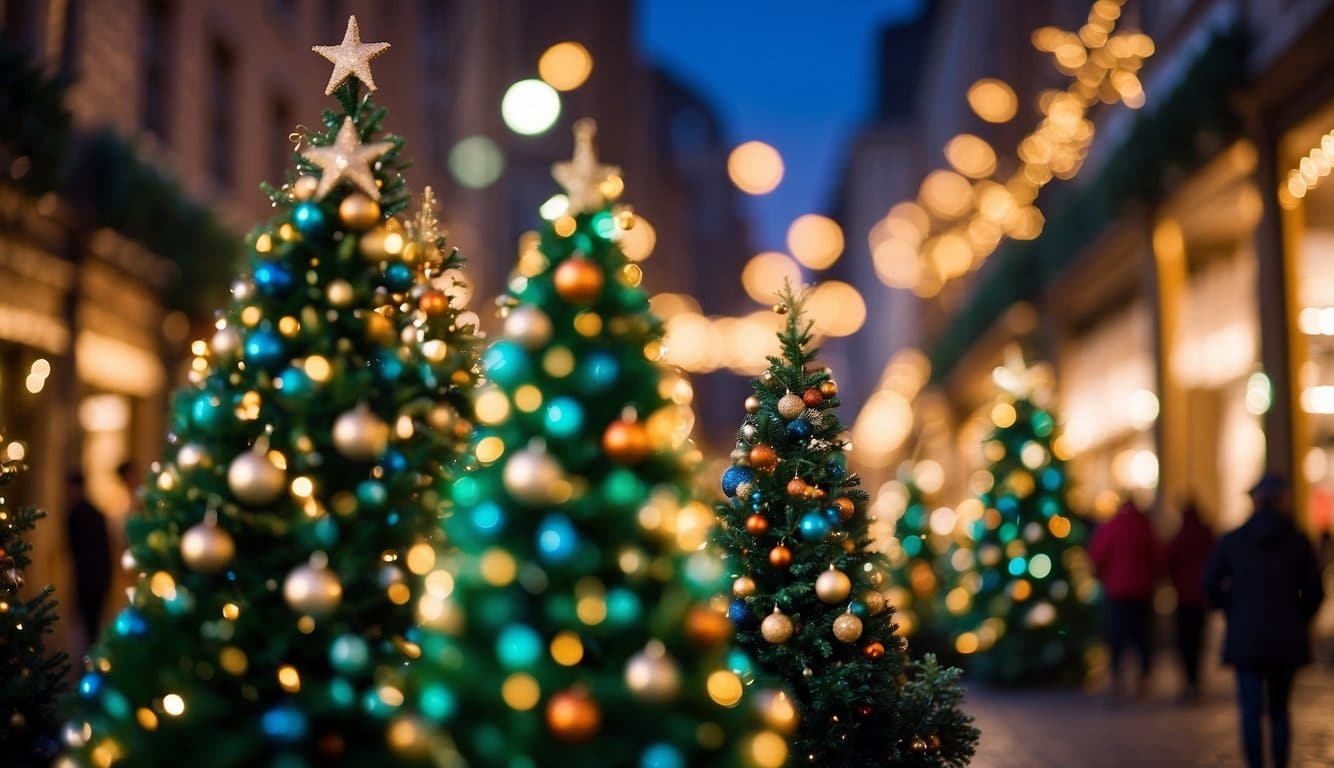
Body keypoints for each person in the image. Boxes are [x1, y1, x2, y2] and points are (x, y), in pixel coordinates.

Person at [1204, 474, 1324, 768]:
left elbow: (1209, 584)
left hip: (1246, 636)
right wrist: (1298, 617)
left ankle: (1255, 763)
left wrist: (1232, 610)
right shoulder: (1297, 541)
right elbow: (1314, 592)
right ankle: (1280, 762)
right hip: (1286, 636)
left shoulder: (1233, 540)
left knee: (1250, 709)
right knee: (1280, 709)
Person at [1090, 498, 1162, 700]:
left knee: (1117, 638)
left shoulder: (1111, 527)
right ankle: (1143, 680)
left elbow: (1098, 555)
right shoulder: (1145, 527)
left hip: (1117, 592)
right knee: (1143, 638)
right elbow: (1157, 557)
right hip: (1142, 591)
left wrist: (1103, 577)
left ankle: (1116, 678)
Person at [1167, 499, 1215, 702]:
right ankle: (1195, 681)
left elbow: (1168, 561)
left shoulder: (1180, 536)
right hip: (1201, 597)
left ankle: (1189, 681)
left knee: (1185, 641)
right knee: (1198, 640)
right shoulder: (1206, 534)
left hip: (1184, 596)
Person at [65, 471, 112, 644]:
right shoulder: (95, 513)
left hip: (88, 578)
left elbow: (76, 550)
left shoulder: (76, 514)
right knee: (93, 623)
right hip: (99, 577)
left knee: (89, 623)